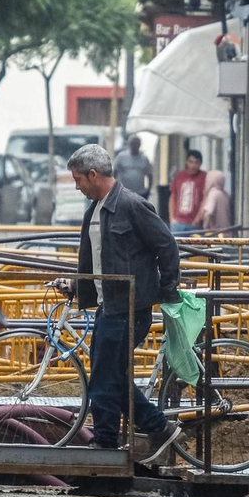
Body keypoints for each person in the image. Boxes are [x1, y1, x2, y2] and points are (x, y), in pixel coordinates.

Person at [55, 144, 184, 462]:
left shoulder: (130, 204)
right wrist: (76, 285)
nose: (77, 186)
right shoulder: (95, 210)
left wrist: (167, 290)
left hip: (129, 307)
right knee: (111, 375)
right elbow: (98, 261)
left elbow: (166, 245)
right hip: (109, 305)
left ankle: (107, 442)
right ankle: (154, 428)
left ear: (93, 174)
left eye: (78, 180)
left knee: (103, 376)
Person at [168, 149, 207, 234]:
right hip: (177, 223)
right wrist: (172, 218)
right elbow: (173, 197)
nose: (193, 165)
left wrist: (198, 218)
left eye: (196, 162)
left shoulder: (204, 177)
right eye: (191, 162)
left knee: (195, 247)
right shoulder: (179, 176)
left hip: (194, 224)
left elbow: (205, 198)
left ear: (200, 164)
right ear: (186, 162)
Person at [113, 135, 155, 199]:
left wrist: (148, 190)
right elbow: (114, 174)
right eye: (133, 143)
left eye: (137, 143)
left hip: (139, 193)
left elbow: (150, 175)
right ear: (129, 144)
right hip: (123, 193)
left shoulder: (144, 159)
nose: (135, 145)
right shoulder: (121, 157)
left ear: (140, 145)